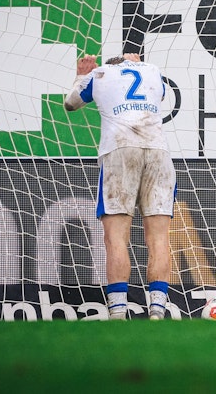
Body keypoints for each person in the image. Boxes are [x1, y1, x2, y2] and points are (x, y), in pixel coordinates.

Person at [64, 53, 176, 321]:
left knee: (115, 239)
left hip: (120, 151)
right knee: (159, 239)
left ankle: (117, 313)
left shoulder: (99, 74)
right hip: (158, 152)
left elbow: (70, 103)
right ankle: (157, 312)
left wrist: (82, 74)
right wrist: (134, 63)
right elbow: (158, 95)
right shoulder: (152, 70)